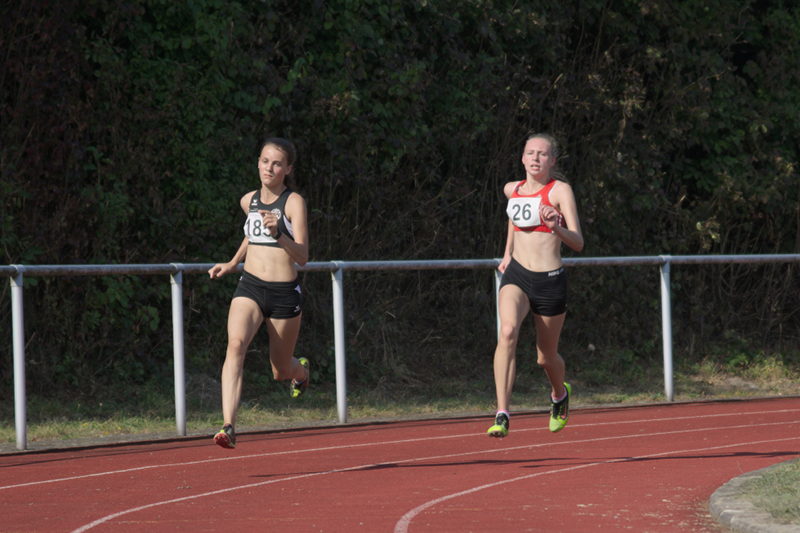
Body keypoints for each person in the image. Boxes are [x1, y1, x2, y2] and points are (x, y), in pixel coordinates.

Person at [208, 137, 310, 449]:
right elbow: (251, 237)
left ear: (287, 169)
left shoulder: (293, 203)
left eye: (277, 163)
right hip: (250, 286)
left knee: (280, 371)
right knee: (235, 345)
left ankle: (302, 371)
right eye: (265, 161)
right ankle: (229, 426)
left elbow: (303, 256)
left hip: (283, 294)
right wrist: (232, 263)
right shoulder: (248, 200)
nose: (270, 167)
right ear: (258, 163)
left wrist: (278, 232)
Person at [487, 132, 584, 438]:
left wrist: (557, 228)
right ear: (522, 158)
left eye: (542, 154)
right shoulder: (512, 189)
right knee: (507, 331)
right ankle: (502, 413)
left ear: (552, 161)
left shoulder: (560, 191)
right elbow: (513, 219)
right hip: (517, 275)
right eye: (530, 153)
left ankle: (559, 393)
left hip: (549, 280)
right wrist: (506, 254)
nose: (535, 158)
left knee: (545, 357)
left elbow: (579, 242)